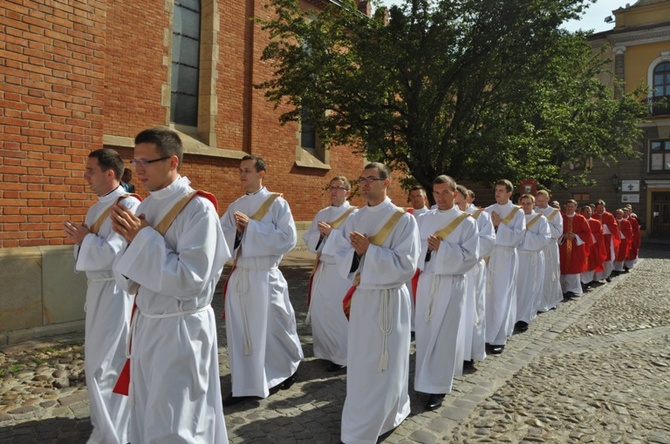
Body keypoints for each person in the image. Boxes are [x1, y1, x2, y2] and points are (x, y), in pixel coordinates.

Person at [111, 127, 230, 443]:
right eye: (135, 162)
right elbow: (130, 276)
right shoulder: (146, 206)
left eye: (146, 162)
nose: (137, 170)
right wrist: (132, 241)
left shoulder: (198, 208)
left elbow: (190, 279)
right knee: (148, 412)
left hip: (181, 329)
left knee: (177, 421)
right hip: (149, 324)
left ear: (172, 161)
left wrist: (141, 239)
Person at [322, 162, 420, 444]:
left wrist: (369, 252)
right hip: (364, 296)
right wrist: (358, 256)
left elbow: (406, 265)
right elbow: (338, 254)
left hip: (390, 298)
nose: (364, 184)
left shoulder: (403, 220)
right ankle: (361, 414)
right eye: (361, 179)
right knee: (363, 360)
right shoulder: (354, 218)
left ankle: (389, 412)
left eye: (371, 179)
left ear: (386, 183)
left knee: (386, 360)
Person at [63, 149, 140, 444]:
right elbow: (90, 249)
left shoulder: (128, 204)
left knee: (110, 363)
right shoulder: (96, 209)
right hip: (98, 292)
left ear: (110, 173)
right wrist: (81, 241)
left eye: (90, 170)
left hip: (117, 292)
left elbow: (113, 254)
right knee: (96, 362)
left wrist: (85, 239)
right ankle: (109, 425)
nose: (86, 176)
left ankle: (118, 432)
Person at [220, 155, 303, 404]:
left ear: (261, 173)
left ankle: (285, 368)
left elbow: (288, 238)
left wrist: (252, 228)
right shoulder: (234, 205)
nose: (243, 175)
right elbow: (222, 239)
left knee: (276, 327)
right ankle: (245, 382)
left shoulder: (277, 203)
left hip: (266, 276)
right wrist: (238, 231)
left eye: (247, 170)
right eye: (240, 171)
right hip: (242, 277)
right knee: (242, 331)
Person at [413, 176, 478, 411]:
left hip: (451, 283)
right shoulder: (424, 219)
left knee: (444, 335)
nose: (440, 197)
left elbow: (469, 257)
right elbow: (414, 250)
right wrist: (427, 254)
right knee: (424, 331)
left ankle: (438, 386)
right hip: (428, 280)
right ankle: (423, 379)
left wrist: (442, 249)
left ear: (454, 194)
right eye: (436, 193)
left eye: (444, 192)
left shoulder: (466, 223)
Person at [302, 176, 356, 372]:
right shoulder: (322, 213)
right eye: (331, 188)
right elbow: (309, 238)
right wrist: (321, 235)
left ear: (347, 192)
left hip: (340, 272)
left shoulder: (354, 215)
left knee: (336, 313)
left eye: (338, 188)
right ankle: (325, 351)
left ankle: (342, 356)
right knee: (320, 312)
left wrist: (331, 235)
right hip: (323, 269)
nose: (334, 191)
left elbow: (353, 244)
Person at [454, 185, 495, 371]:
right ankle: (452, 349)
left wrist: (465, 251)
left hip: (472, 269)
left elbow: (488, 241)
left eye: (459, 202)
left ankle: (469, 352)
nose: (457, 205)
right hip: (452, 269)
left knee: (472, 310)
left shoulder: (481, 216)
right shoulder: (447, 215)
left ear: (468, 199)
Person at [484, 179, 525, 354]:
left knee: (501, 297)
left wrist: (500, 225)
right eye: (496, 190)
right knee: (486, 297)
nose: (497, 193)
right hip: (488, 257)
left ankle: (498, 337)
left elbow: (518, 237)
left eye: (501, 190)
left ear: (509, 193)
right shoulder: (487, 210)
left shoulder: (517, 213)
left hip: (506, 257)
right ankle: (484, 335)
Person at [515, 194, 549, 332]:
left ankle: (525, 317)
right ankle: (514, 314)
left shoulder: (541, 219)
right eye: (523, 203)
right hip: (517, 257)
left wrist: (524, 234)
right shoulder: (515, 218)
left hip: (532, 258)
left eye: (529, 203)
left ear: (534, 205)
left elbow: (544, 239)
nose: (525, 206)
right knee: (517, 287)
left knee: (530, 287)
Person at [534, 190, 563, 312]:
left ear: (548, 199)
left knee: (549, 274)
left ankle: (550, 300)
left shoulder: (555, 213)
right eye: (538, 201)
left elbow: (558, 232)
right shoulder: (533, 211)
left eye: (543, 200)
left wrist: (544, 224)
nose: (540, 203)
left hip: (549, 248)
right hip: (536, 247)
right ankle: (536, 301)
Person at [405, 184, 429, 332]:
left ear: (425, 197)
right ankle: (409, 323)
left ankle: (418, 324)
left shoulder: (431, 215)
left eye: (418, 196)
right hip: (407, 260)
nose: (415, 199)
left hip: (423, 261)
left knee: (421, 295)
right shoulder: (407, 215)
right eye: (413, 197)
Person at [558, 200, 592, 299]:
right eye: (568, 206)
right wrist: (563, 236)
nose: (569, 208)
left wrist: (575, 236)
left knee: (574, 268)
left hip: (576, 247)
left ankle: (572, 290)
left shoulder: (581, 219)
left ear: (575, 207)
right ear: (565, 207)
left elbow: (587, 233)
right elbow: (556, 231)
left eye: (572, 206)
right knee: (562, 267)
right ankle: (562, 289)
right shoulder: (561, 218)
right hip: (563, 246)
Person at [593, 200, 620, 283]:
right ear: (596, 208)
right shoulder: (593, 216)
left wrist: (603, 227)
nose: (600, 209)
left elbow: (615, 227)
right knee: (597, 257)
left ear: (604, 207)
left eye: (602, 208)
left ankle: (607, 275)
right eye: (598, 208)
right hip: (597, 240)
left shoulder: (609, 215)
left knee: (607, 259)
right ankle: (596, 277)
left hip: (607, 240)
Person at [581, 204, 606, 290]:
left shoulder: (596, 222)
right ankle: (581, 281)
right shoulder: (579, 221)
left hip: (592, 247)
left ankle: (588, 281)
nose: (588, 213)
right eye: (586, 211)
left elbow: (600, 234)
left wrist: (589, 237)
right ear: (582, 212)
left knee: (591, 264)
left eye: (589, 211)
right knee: (581, 264)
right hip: (581, 246)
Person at [612, 209, 632, 275]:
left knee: (621, 254)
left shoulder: (626, 222)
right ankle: (613, 268)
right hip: (614, 240)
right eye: (617, 213)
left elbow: (629, 231)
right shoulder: (613, 221)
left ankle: (618, 269)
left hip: (623, 241)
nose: (618, 215)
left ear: (622, 214)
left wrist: (620, 233)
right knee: (615, 253)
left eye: (620, 214)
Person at [623, 206, 640, 270]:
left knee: (630, 253)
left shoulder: (633, 220)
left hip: (630, 239)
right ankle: (622, 265)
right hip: (622, 240)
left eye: (625, 212)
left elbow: (636, 230)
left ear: (628, 213)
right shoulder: (619, 219)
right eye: (623, 212)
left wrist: (631, 233)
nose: (624, 214)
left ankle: (628, 266)